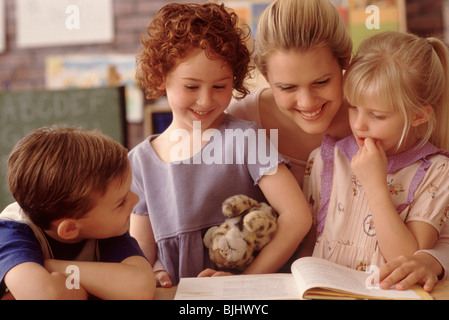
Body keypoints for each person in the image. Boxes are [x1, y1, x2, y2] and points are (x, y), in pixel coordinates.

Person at [226, 0, 449, 292]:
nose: (307, 102)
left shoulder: (396, 115)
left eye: (321, 81)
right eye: (287, 87)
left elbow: (432, 241)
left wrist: (434, 260)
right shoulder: (243, 123)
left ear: (345, 62)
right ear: (266, 78)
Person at [129, 2, 311, 287]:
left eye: (220, 86)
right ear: (160, 76)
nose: (205, 101)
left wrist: (245, 283)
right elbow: (138, 255)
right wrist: (155, 270)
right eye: (191, 86)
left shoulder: (245, 138)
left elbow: (297, 216)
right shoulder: (139, 161)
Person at [303, 30, 449, 283]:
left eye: (377, 115)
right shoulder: (325, 159)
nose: (359, 124)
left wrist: (374, 185)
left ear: (418, 116)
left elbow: (408, 260)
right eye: (353, 107)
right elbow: (304, 250)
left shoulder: (437, 172)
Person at [0, 127, 156, 300]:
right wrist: (97, 288)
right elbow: (47, 295)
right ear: (70, 229)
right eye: (120, 203)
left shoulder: (107, 228)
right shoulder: (11, 231)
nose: (136, 199)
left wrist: (50, 267)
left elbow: (140, 287)